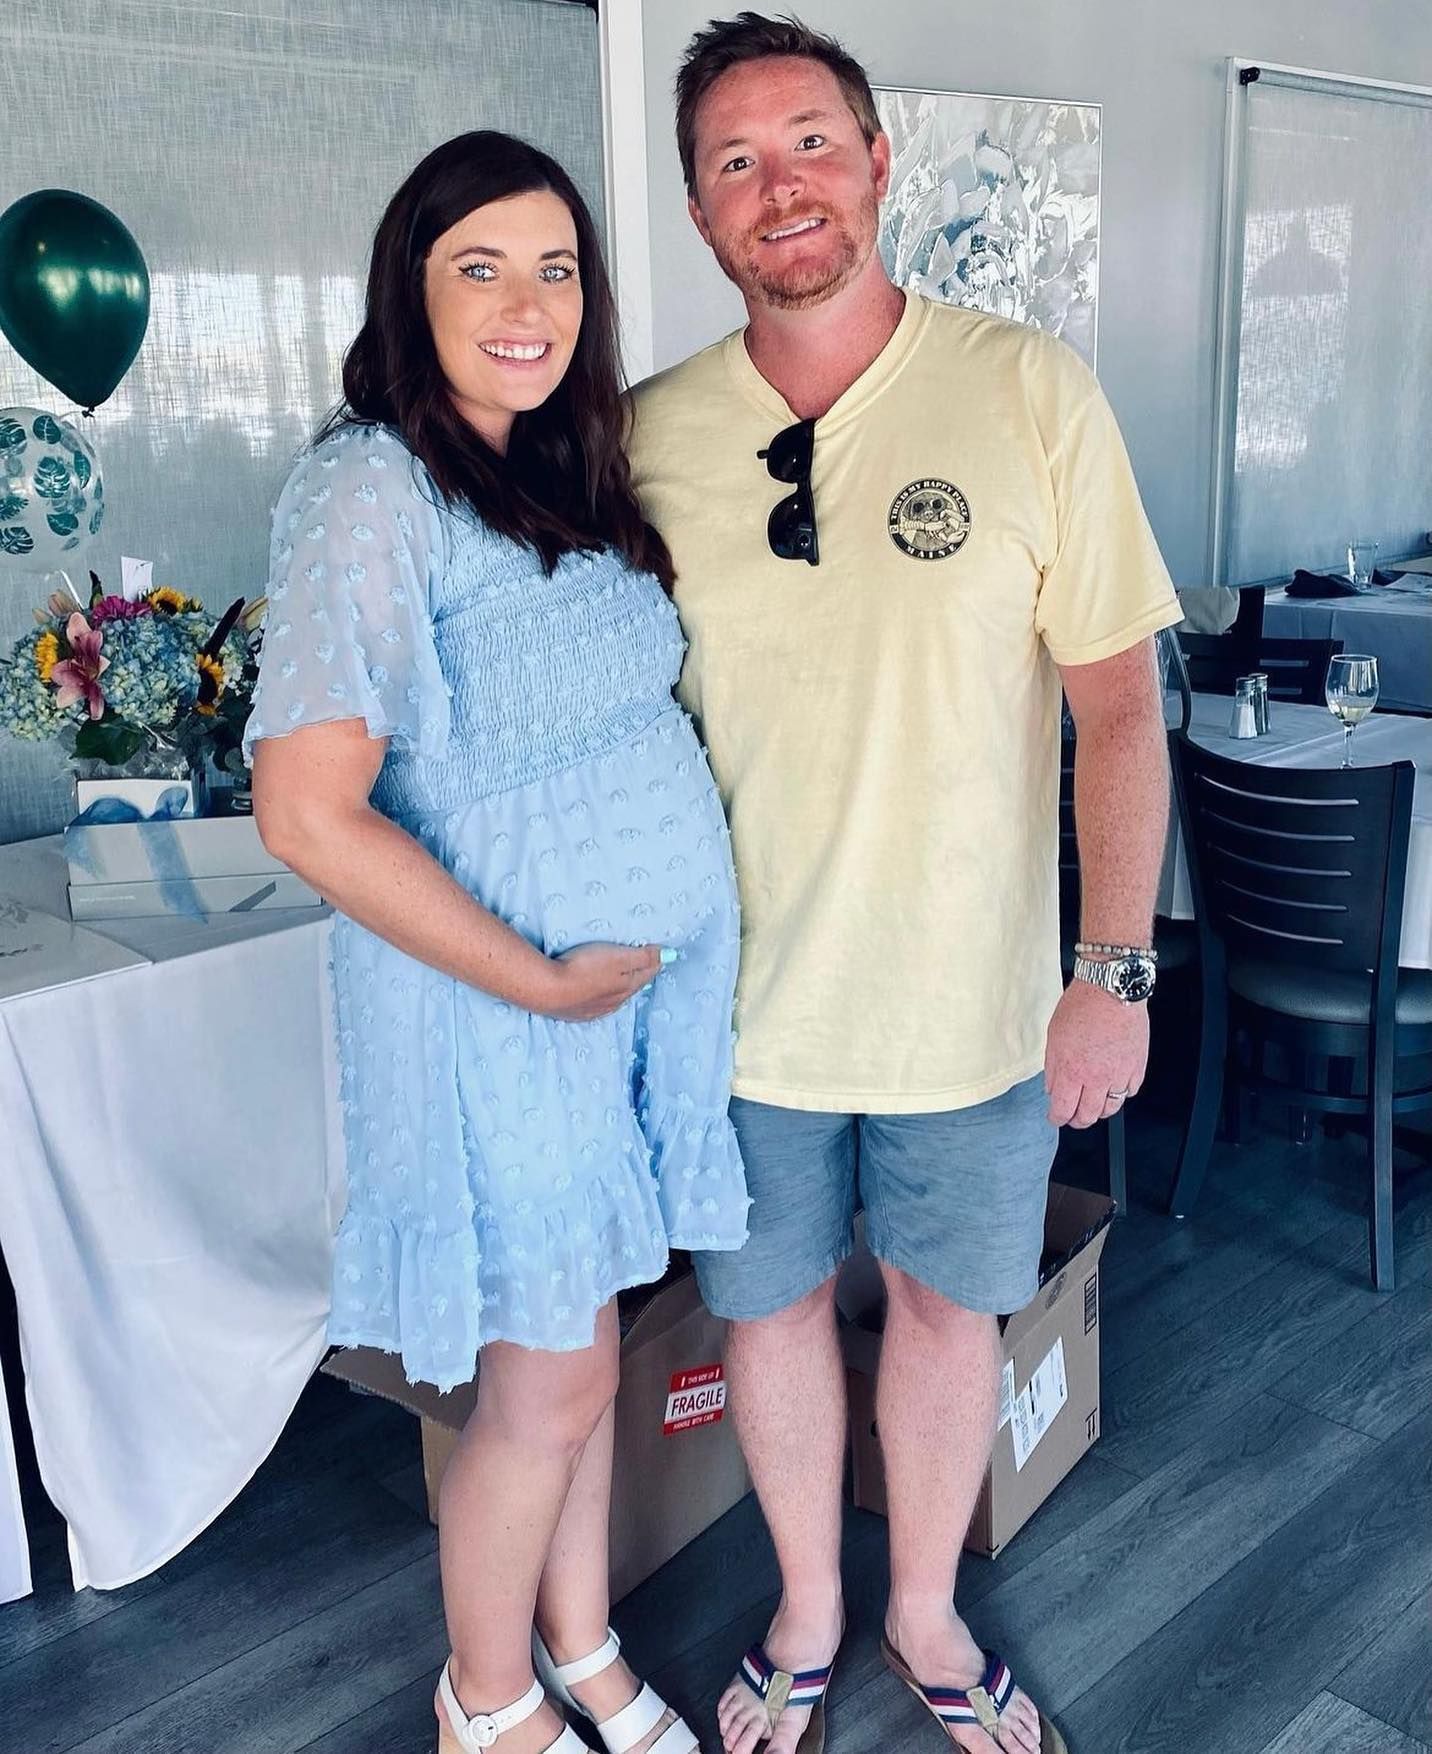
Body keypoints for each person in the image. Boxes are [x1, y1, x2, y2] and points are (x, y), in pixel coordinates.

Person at [628, 16, 1181, 1754]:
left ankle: (927, 1610)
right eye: (734, 159)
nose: (777, 183)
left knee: (951, 1309)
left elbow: (1115, 708)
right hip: (739, 1008)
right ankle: (806, 1611)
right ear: (702, 212)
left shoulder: (1029, 390)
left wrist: (1118, 968)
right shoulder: (645, 442)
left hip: (977, 1005)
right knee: (769, 1311)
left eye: (808, 141)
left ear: (878, 164)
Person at [246, 130, 749, 1754]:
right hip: (494, 1018)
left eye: (556, 267)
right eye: (481, 265)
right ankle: (486, 1697)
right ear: (411, 283)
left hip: (605, 1021)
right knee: (544, 1385)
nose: (527, 303)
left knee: (585, 1354)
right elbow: (308, 811)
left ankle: (583, 1641)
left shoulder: (553, 465)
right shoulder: (367, 484)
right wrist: (535, 978)